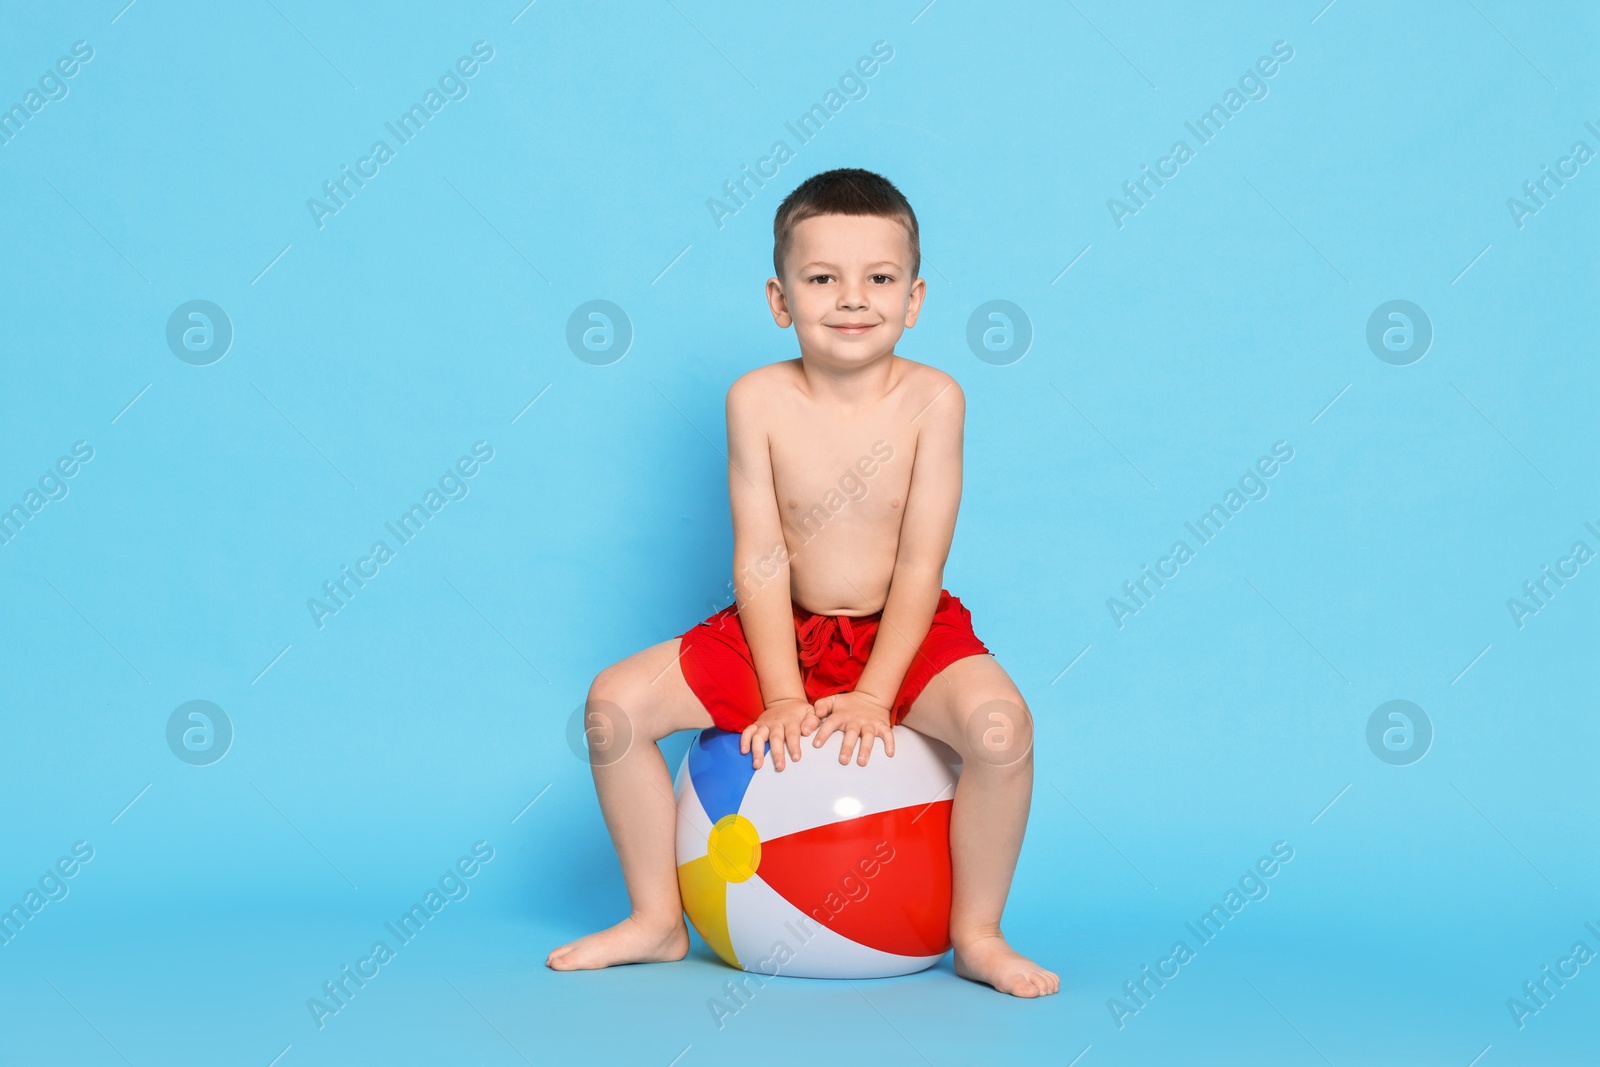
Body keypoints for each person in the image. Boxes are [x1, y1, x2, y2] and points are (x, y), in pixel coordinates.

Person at [546, 168, 1058, 997]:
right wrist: (781, 694)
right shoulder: (757, 398)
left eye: (879, 279)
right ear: (781, 299)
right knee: (611, 707)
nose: (852, 298)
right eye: (823, 278)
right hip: (781, 627)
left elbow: (921, 564)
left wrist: (877, 692)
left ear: (915, 297)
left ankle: (977, 932)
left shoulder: (936, 399)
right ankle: (656, 918)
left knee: (1003, 730)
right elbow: (761, 556)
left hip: (905, 627)